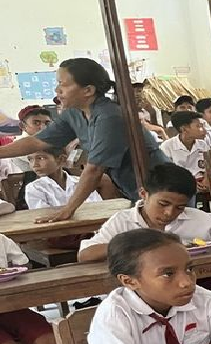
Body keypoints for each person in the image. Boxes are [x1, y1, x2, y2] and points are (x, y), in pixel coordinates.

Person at [0, 58, 169, 222]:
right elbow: (37, 142)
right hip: (138, 192)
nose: (57, 90)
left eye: (63, 84)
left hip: (163, 190)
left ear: (88, 90)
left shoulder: (109, 117)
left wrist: (68, 210)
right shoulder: (74, 113)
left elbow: (94, 169)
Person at [78, 163, 211, 311]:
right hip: (147, 295)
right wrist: (136, 246)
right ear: (143, 194)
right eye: (163, 204)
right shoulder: (123, 221)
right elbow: (85, 255)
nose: (170, 213)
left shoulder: (197, 218)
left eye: (180, 207)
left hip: (203, 286)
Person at [0, 233, 62, 344]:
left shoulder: (1, 239)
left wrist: (13, 271)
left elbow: (24, 264)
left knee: (50, 338)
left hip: (9, 306)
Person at [23, 147, 102, 210]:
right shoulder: (34, 188)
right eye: (30, 159)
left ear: (61, 159)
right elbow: (44, 216)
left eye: (41, 158)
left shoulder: (81, 182)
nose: (34, 164)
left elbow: (97, 207)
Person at [159, 111, 211, 180]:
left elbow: (209, 167)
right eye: (199, 126)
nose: (204, 130)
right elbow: (167, 174)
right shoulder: (167, 146)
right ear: (183, 129)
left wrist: (206, 180)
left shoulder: (203, 144)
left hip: (202, 181)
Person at [11, 106, 54, 172]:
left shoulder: (44, 140)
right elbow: (54, 163)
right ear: (23, 126)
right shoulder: (21, 144)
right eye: (36, 123)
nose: (43, 127)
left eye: (47, 123)